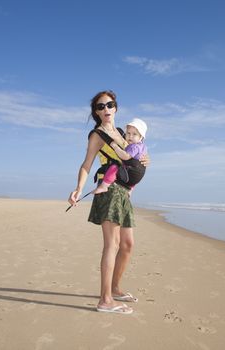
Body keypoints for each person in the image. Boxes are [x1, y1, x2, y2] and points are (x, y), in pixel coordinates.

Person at [68, 90, 148, 315]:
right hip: (109, 189)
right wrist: (78, 189)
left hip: (124, 191)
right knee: (111, 244)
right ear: (96, 112)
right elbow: (86, 164)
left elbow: (134, 156)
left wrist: (145, 159)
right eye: (100, 106)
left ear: (116, 108)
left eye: (109, 105)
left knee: (127, 245)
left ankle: (114, 288)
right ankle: (105, 300)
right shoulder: (98, 135)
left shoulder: (123, 133)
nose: (106, 109)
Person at [93, 118, 148, 195]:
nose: (130, 136)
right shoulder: (142, 146)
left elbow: (125, 156)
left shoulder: (134, 146)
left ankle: (104, 186)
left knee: (115, 166)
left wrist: (115, 146)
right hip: (136, 177)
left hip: (130, 175)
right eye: (128, 133)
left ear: (141, 137)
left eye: (134, 134)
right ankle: (130, 189)